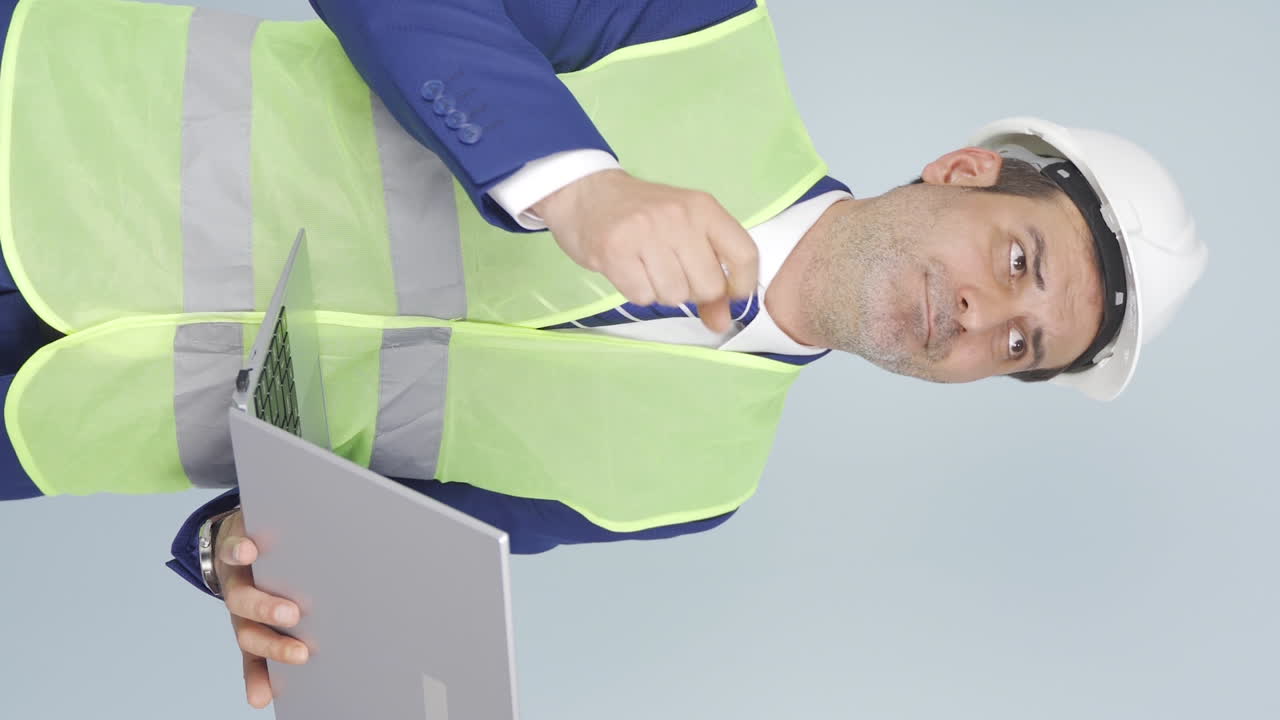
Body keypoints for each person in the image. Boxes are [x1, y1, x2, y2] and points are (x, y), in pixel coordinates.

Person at [0, 0, 1207, 708]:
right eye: (1014, 265)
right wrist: (578, 186)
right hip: (42, 124)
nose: (981, 324)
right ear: (959, 172)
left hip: (37, 416)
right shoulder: (704, 31)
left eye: (1017, 349)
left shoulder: (695, 490)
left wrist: (241, 563)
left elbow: (357, 513)